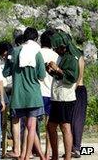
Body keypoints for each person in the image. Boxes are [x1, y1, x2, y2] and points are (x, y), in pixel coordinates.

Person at [3, 27, 46, 160]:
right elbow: (41, 76)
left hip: (18, 96)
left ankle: (20, 152)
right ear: (36, 39)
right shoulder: (37, 53)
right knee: (31, 127)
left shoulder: (14, 52)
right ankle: (26, 155)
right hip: (33, 96)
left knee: (17, 123)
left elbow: (5, 73)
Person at [47, 31, 80, 160]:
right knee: (51, 126)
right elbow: (60, 76)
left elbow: (72, 77)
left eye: (57, 47)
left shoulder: (71, 58)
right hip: (57, 96)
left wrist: (57, 69)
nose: (56, 50)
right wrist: (51, 71)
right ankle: (55, 156)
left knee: (65, 126)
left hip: (65, 97)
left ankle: (67, 157)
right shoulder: (62, 56)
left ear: (64, 46)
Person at [39, 29, 59, 159]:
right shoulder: (56, 55)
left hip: (38, 92)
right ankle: (48, 152)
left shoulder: (37, 53)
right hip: (51, 92)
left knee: (33, 124)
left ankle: (33, 150)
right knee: (50, 126)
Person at [71, 55, 87, 158]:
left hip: (78, 89)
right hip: (72, 90)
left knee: (77, 120)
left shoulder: (78, 57)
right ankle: (72, 148)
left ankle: (76, 148)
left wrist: (73, 89)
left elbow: (79, 76)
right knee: (70, 121)